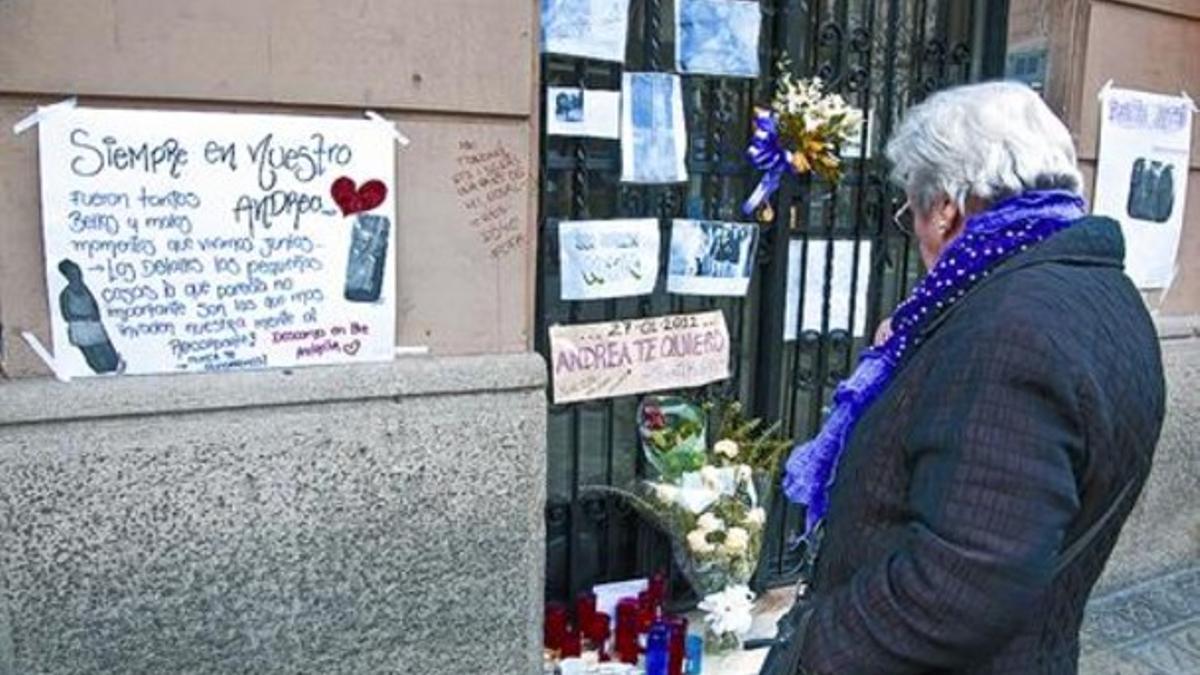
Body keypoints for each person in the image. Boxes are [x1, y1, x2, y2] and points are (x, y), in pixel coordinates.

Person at [763, 82, 1166, 674]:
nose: (917, 232)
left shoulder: (1011, 328)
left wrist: (809, 649)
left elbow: (959, 586)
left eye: (911, 212)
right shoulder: (1098, 289)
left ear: (947, 207)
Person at [58, 259, 122, 374]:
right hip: (80, 328)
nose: (77, 276)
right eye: (73, 274)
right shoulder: (66, 294)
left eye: (78, 272)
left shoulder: (86, 289)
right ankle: (100, 370)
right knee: (92, 352)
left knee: (105, 348)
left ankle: (114, 366)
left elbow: (94, 304)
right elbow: (66, 315)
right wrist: (83, 318)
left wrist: (95, 316)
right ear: (67, 276)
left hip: (94, 324)